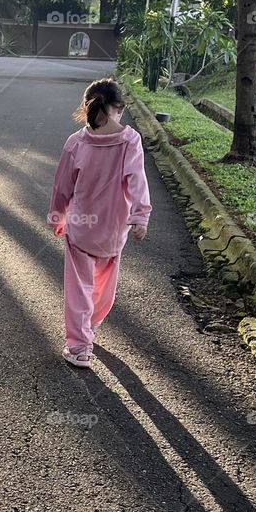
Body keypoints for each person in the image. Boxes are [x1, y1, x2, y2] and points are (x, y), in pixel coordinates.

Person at [47, 78, 152, 367]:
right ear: (119, 108)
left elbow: (62, 187)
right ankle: (89, 327)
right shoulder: (130, 141)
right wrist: (140, 216)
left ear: (88, 108)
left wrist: (58, 216)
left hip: (81, 229)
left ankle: (79, 346)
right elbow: (137, 181)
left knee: (79, 288)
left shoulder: (76, 142)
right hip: (114, 231)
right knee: (103, 288)